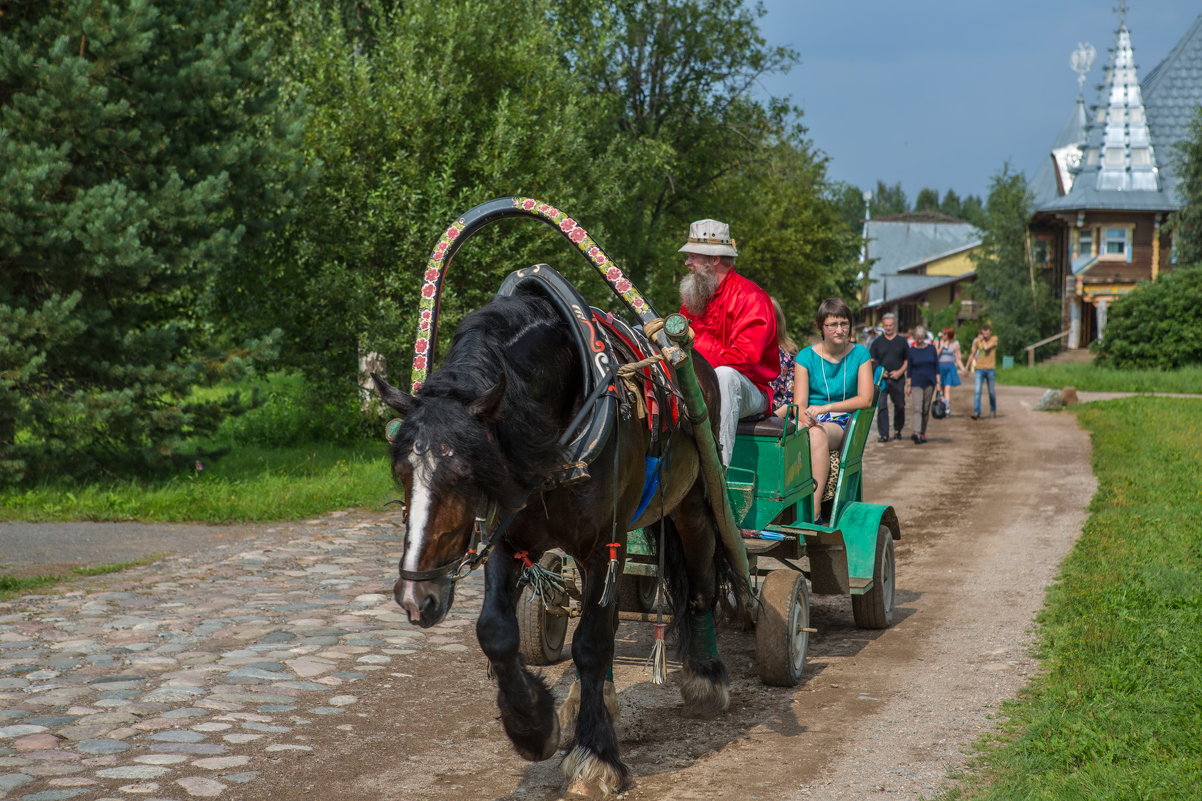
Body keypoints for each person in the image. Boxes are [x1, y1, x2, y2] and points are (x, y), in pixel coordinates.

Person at [677, 219, 778, 465]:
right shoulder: (694, 298)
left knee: (724, 376)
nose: (687, 263)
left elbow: (745, 357)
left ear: (714, 260)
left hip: (751, 392)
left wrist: (696, 368)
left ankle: (718, 471)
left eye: (693, 257)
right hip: (699, 383)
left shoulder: (750, 296)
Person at [792, 298, 874, 523]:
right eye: (833, 324)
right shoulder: (806, 357)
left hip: (842, 422)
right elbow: (799, 403)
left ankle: (815, 510)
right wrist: (806, 417)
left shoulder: (860, 354)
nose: (840, 330)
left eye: (844, 323)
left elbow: (866, 399)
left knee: (817, 434)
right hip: (812, 417)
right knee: (787, 436)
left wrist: (826, 408)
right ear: (821, 327)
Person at [869, 312, 908, 443]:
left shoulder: (902, 341)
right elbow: (872, 360)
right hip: (882, 380)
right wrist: (880, 372)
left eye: (890, 325)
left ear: (894, 325)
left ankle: (898, 430)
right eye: (886, 325)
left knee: (900, 405)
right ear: (883, 326)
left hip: (898, 378)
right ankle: (884, 434)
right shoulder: (877, 342)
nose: (888, 328)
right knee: (882, 406)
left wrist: (900, 372)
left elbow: (907, 360)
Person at [905, 325, 940, 444]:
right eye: (917, 337)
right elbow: (909, 369)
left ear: (924, 336)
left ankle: (923, 433)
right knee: (917, 408)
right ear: (915, 337)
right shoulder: (911, 350)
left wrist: (938, 382)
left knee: (925, 409)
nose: (919, 339)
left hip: (930, 382)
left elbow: (936, 366)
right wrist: (908, 385)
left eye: (921, 337)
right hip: (916, 382)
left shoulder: (931, 349)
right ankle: (916, 432)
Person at [768, 297, 799, 418]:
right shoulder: (744, 351)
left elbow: (790, 403)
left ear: (778, 322)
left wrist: (768, 419)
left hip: (777, 419)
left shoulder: (790, 356)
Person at [967, 323, 998, 419]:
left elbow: (986, 348)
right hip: (979, 369)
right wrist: (966, 367)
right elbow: (972, 354)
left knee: (991, 392)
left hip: (990, 369)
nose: (985, 336)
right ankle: (977, 412)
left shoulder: (994, 339)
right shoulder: (977, 342)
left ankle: (993, 409)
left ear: (990, 333)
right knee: (977, 391)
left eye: (987, 334)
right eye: (983, 334)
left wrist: (982, 340)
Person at [936, 327, 966, 415]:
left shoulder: (955, 344)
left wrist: (963, 369)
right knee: (941, 389)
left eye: (945, 334)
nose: (943, 335)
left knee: (947, 389)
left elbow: (958, 358)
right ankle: (941, 407)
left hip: (950, 367)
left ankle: (947, 408)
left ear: (949, 335)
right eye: (942, 333)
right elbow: (935, 355)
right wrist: (942, 346)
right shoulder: (938, 342)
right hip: (940, 366)